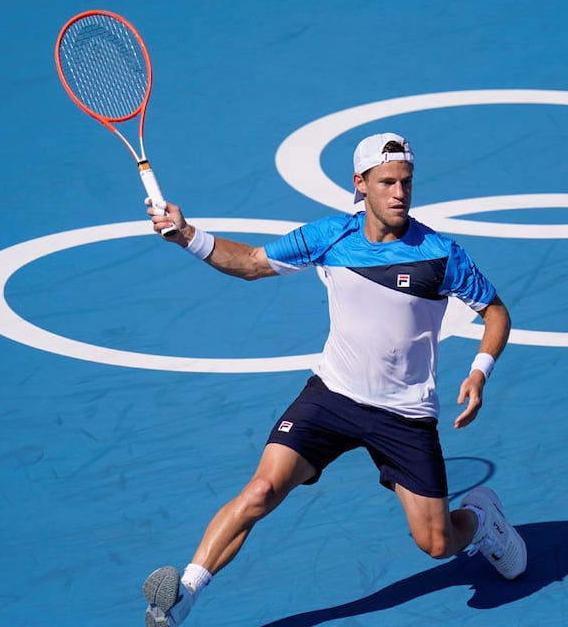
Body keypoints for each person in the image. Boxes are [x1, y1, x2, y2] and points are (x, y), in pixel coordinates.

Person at [141, 133, 527, 627]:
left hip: (404, 415)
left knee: (436, 543)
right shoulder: (331, 237)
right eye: (387, 182)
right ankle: (183, 598)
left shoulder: (439, 253)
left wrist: (479, 371)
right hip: (333, 397)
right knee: (261, 491)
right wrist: (187, 234)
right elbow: (253, 264)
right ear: (360, 184)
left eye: (406, 182)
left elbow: (495, 312)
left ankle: (482, 520)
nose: (399, 193)